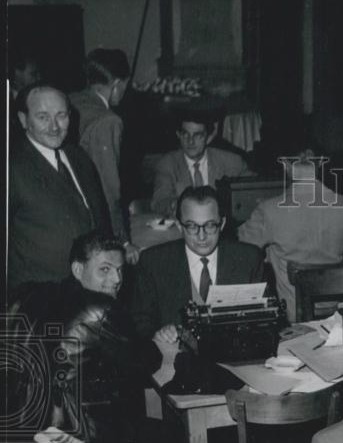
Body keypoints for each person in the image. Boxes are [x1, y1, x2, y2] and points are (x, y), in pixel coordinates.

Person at [8, 234, 173, 443]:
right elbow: (143, 362)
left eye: (120, 270)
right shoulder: (102, 307)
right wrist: (165, 350)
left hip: (25, 441)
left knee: (120, 415)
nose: (116, 280)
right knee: (167, 436)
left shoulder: (31, 294)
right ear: (77, 268)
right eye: (105, 269)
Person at [237, 151, 343, 320]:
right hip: (338, 313)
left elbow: (241, 250)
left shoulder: (269, 210)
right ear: (320, 164)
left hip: (292, 317)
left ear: (286, 165)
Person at [9, 84, 111, 293]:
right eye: (43, 117)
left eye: (61, 115)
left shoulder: (78, 156)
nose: (54, 127)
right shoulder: (11, 166)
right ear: (23, 120)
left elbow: (100, 216)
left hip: (89, 290)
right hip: (40, 295)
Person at [131, 185, 265, 340]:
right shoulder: (153, 261)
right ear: (180, 226)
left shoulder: (249, 258)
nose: (201, 237)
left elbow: (262, 320)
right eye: (192, 226)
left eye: (209, 225)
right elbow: (139, 322)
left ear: (221, 224)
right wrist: (158, 334)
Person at [70, 48, 134, 243]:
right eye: (124, 85)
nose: (124, 92)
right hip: (92, 225)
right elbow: (109, 189)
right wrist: (122, 240)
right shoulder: (108, 121)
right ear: (116, 84)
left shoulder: (71, 100)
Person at [150, 111, 249, 217]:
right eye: (185, 134)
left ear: (209, 138)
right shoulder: (167, 164)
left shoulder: (232, 162)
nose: (190, 141)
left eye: (197, 135)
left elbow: (257, 190)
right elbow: (159, 202)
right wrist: (175, 205)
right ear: (178, 135)